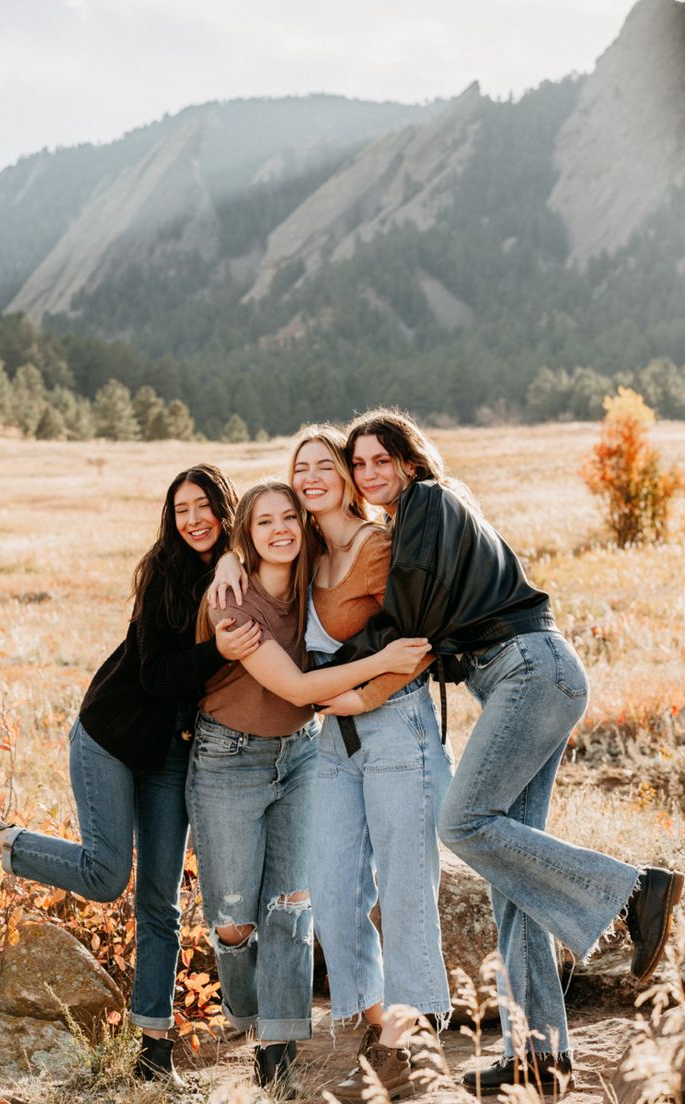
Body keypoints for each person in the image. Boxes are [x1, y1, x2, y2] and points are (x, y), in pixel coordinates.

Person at [320, 408, 684, 1097]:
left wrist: (335, 674)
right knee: (509, 874)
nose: (369, 475)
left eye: (380, 460)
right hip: (525, 676)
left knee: (462, 823)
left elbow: (413, 612)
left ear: (409, 461)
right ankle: (540, 1055)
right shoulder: (427, 513)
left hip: (527, 672)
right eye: (359, 464)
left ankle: (633, 891)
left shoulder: (427, 502)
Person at [0, 464, 261, 1088]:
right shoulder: (161, 574)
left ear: (226, 512)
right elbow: (155, 676)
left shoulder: (238, 572)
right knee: (106, 873)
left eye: (205, 507)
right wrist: (216, 653)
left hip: (172, 754)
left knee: (161, 905)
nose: (194, 519)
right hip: (112, 738)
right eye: (181, 510)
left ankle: (153, 1054)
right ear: (170, 520)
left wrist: (231, 563)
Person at [190, 480, 431, 1099]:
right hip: (228, 760)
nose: (280, 530)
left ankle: (278, 1049)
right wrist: (384, 662)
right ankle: (247, 1018)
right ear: (247, 533)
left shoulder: (310, 586)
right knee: (235, 922)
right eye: (263, 521)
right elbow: (299, 688)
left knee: (292, 910)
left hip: (300, 756)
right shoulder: (231, 597)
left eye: (288, 519)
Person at [288, 425, 454, 1102]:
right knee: (330, 890)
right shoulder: (303, 556)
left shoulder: (378, 545)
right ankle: (378, 1017)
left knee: (407, 888)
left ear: (351, 478)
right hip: (334, 740)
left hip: (394, 727)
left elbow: (418, 642)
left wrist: (358, 696)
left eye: (327, 465)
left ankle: (404, 1044)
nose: (314, 476)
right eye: (302, 467)